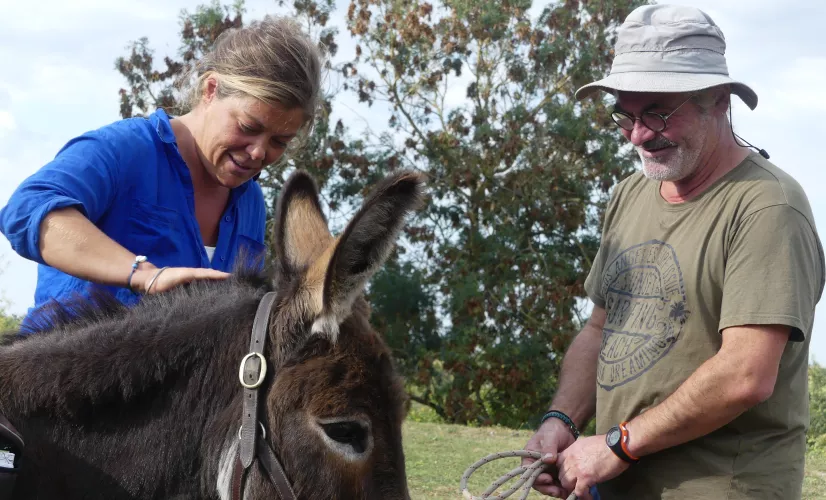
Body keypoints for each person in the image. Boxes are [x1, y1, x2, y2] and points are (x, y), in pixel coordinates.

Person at [522, 4, 824, 500]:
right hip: (612, 485)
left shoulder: (768, 207)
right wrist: (561, 420)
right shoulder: (629, 194)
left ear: (719, 101)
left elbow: (745, 375)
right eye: (626, 114)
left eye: (659, 112)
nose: (639, 135)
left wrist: (616, 446)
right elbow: (600, 329)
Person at [0, 15, 323, 334]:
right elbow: (27, 209)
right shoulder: (126, 149)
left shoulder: (250, 202)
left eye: (279, 142)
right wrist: (143, 274)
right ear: (211, 90)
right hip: (61, 378)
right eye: (248, 127)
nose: (258, 152)